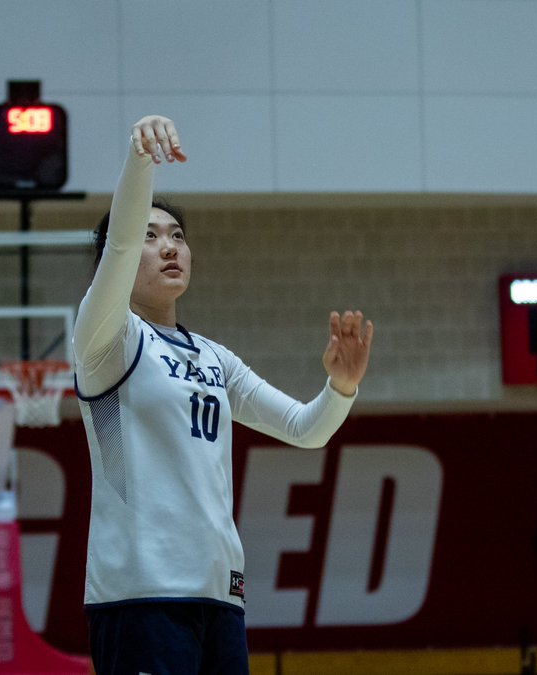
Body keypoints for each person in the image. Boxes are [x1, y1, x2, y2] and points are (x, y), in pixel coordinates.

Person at [73, 115, 374, 675]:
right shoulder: (107, 340)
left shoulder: (214, 357)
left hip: (220, 594)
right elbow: (116, 248)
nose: (170, 248)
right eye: (151, 234)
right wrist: (140, 157)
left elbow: (307, 431)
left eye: (179, 237)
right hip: (141, 595)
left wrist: (342, 386)